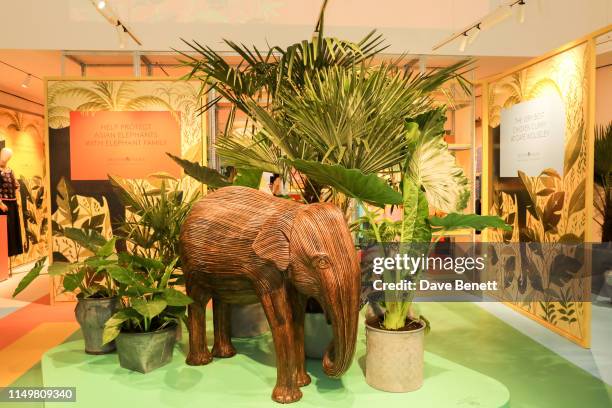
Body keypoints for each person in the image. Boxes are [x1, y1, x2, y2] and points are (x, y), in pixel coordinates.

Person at [0, 147, 24, 257]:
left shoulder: (10, 170)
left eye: (7, 157)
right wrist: (0, 203)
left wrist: (17, 199)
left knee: (13, 229)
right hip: (2, 204)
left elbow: (16, 186)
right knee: (4, 231)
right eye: (4, 156)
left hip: (12, 203)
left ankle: (11, 252)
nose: (5, 159)